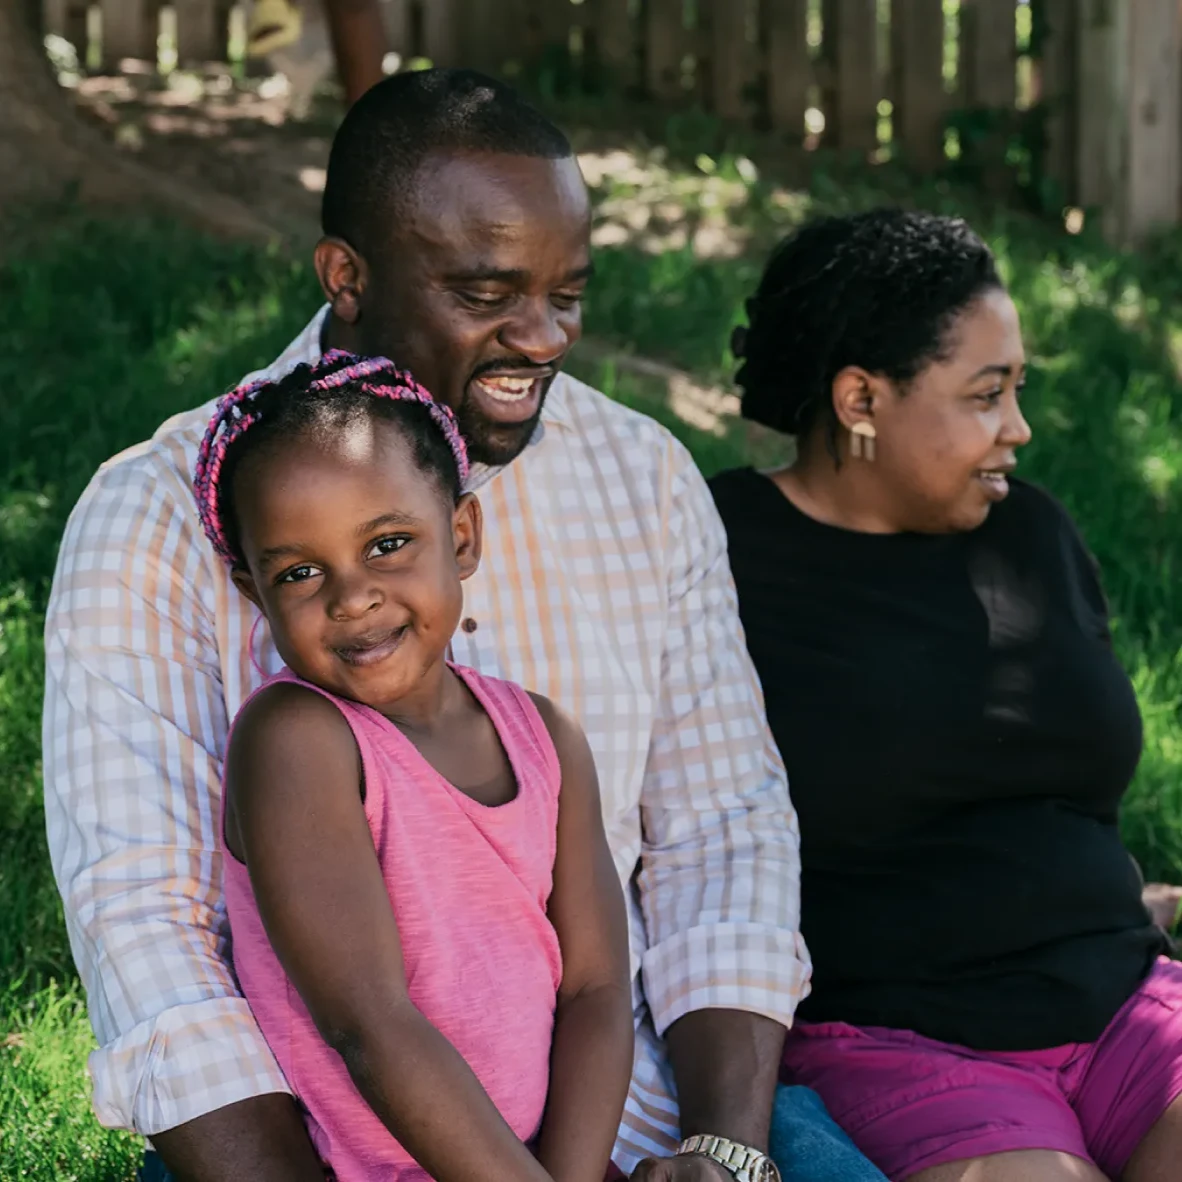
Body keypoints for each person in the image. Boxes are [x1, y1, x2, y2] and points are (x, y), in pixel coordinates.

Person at [45, 69, 888, 1182]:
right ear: (347, 277)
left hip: (626, 1106)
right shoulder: (151, 516)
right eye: (486, 293)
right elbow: (148, 935)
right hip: (325, 1146)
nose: (541, 339)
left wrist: (722, 1148)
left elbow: (721, 829)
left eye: (568, 295)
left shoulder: (643, 478)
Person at [710, 208, 1182, 1182]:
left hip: (1124, 998)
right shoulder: (718, 562)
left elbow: (1070, 788)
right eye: (987, 394)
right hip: (901, 1034)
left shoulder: (1032, 533)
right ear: (860, 400)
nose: (1021, 427)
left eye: (1019, 389)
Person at [192, 350, 633, 1181]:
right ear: (255, 593)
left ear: (461, 537)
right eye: (300, 572)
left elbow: (598, 992)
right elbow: (370, 1023)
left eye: (388, 544)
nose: (352, 597)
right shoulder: (297, 741)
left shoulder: (544, 737)